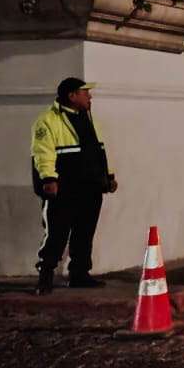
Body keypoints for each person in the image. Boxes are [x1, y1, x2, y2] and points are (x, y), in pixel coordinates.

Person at [31, 77, 118, 294]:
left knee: (84, 233)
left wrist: (108, 176)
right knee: (56, 233)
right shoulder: (48, 121)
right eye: (84, 92)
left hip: (90, 188)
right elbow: (43, 154)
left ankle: (79, 274)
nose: (89, 96)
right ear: (71, 96)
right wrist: (49, 179)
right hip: (64, 188)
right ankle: (46, 275)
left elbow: (100, 151)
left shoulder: (89, 119)